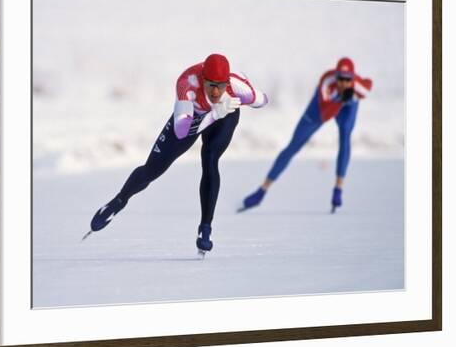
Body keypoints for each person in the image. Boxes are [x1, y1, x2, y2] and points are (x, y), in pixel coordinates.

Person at [84, 54, 268, 254]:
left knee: (210, 159)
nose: (216, 91)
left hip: (225, 116)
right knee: (152, 170)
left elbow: (262, 100)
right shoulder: (188, 84)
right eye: (211, 85)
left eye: (221, 86)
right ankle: (118, 201)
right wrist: (214, 113)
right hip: (193, 118)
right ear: (203, 80)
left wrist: (245, 97)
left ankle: (205, 229)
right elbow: (182, 131)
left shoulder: (236, 86)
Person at [240, 57, 372, 213]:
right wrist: (340, 100)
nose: (343, 83)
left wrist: (351, 98)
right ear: (335, 77)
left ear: (353, 79)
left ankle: (338, 188)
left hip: (347, 107)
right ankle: (262, 190)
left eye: (347, 80)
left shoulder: (357, 86)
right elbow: (325, 115)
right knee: (294, 146)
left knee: (345, 136)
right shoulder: (326, 82)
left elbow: (369, 85)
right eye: (340, 79)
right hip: (323, 108)